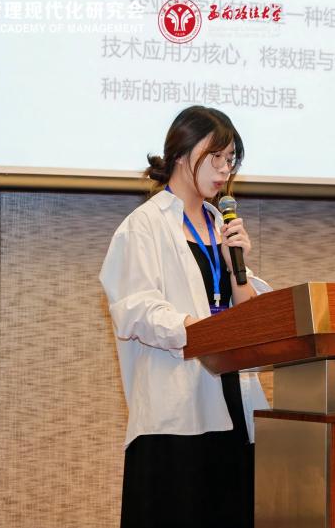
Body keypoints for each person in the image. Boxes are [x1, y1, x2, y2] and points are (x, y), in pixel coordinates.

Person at [99, 105, 270, 528]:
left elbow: (252, 317)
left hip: (233, 402)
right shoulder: (144, 226)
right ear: (180, 153)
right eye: (216, 157)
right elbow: (136, 309)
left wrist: (237, 266)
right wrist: (204, 332)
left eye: (230, 159)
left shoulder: (222, 225)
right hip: (176, 415)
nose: (225, 169)